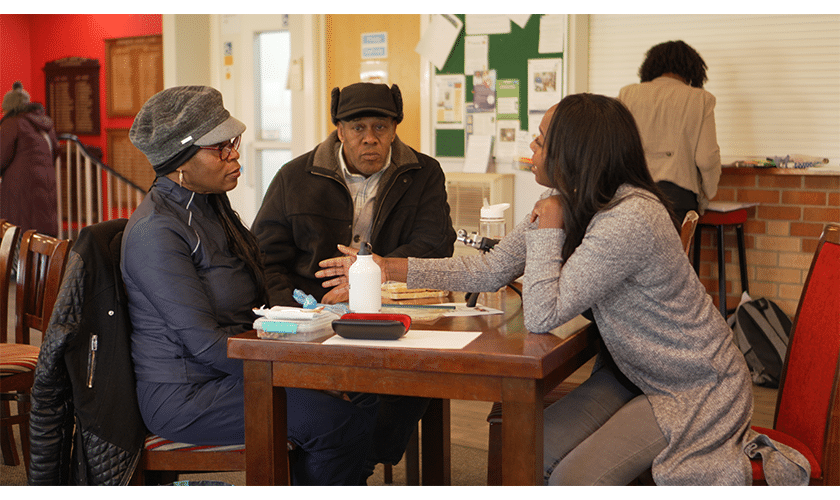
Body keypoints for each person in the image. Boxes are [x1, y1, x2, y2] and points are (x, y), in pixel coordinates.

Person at [317, 94, 810, 485]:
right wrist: (386, 266)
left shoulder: (629, 218)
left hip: (693, 387)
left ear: (574, 153)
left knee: (575, 478)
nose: (530, 151)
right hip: (631, 375)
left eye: (539, 142)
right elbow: (489, 269)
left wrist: (550, 229)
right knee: (529, 447)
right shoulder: (567, 200)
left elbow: (542, 314)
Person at [121, 85, 376, 485]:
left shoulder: (208, 206)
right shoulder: (156, 232)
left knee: (365, 399)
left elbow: (250, 306)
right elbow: (205, 344)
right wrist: (297, 372)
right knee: (341, 423)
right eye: (219, 148)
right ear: (179, 161)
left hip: (227, 372)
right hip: (187, 394)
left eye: (233, 143)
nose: (234, 155)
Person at [252, 81, 456, 483]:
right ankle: (340, 465)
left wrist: (369, 277)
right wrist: (305, 314)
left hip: (392, 311)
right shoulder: (294, 177)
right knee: (334, 397)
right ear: (339, 130)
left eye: (380, 127)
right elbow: (264, 259)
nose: (370, 138)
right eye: (358, 128)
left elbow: (435, 245)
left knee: (414, 377)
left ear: (394, 130)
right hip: (313, 318)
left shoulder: (423, 172)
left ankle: (355, 465)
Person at [617, 40, 721, 224]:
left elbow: (614, 148)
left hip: (630, 195)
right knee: (675, 244)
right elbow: (706, 158)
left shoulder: (627, 94)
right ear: (692, 70)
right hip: (677, 198)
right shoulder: (700, 99)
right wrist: (708, 193)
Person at [1, 81, 59, 237]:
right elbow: (56, 150)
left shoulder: (12, 122)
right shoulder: (44, 123)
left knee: (19, 234)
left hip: (19, 187)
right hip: (47, 182)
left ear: (9, 108)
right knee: (41, 234)